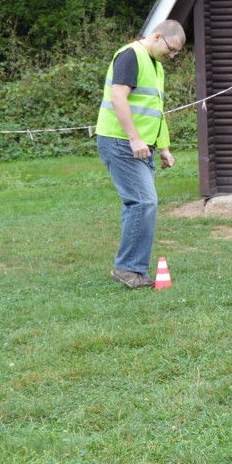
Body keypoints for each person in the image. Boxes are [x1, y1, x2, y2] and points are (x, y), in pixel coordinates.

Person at [96, 19, 185, 288]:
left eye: (176, 53)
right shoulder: (130, 55)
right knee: (144, 202)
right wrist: (134, 139)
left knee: (139, 203)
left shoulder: (156, 66)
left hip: (143, 146)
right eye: (171, 49)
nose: (172, 56)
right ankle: (127, 268)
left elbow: (156, 111)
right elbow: (118, 98)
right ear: (157, 36)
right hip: (121, 141)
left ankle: (133, 270)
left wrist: (164, 147)